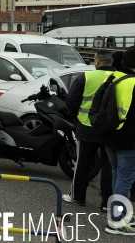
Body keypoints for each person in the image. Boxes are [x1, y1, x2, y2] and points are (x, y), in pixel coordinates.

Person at [63, 50, 115, 207]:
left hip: (87, 127)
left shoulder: (86, 77)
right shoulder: (119, 78)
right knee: (109, 167)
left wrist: (77, 117)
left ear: (97, 62)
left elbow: (71, 101)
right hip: (111, 130)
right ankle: (106, 203)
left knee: (83, 164)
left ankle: (77, 197)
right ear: (111, 62)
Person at [102, 47, 135, 236]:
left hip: (109, 135)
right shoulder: (133, 83)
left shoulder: (114, 77)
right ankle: (116, 222)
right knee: (125, 179)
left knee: (117, 175)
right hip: (127, 138)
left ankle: (120, 213)